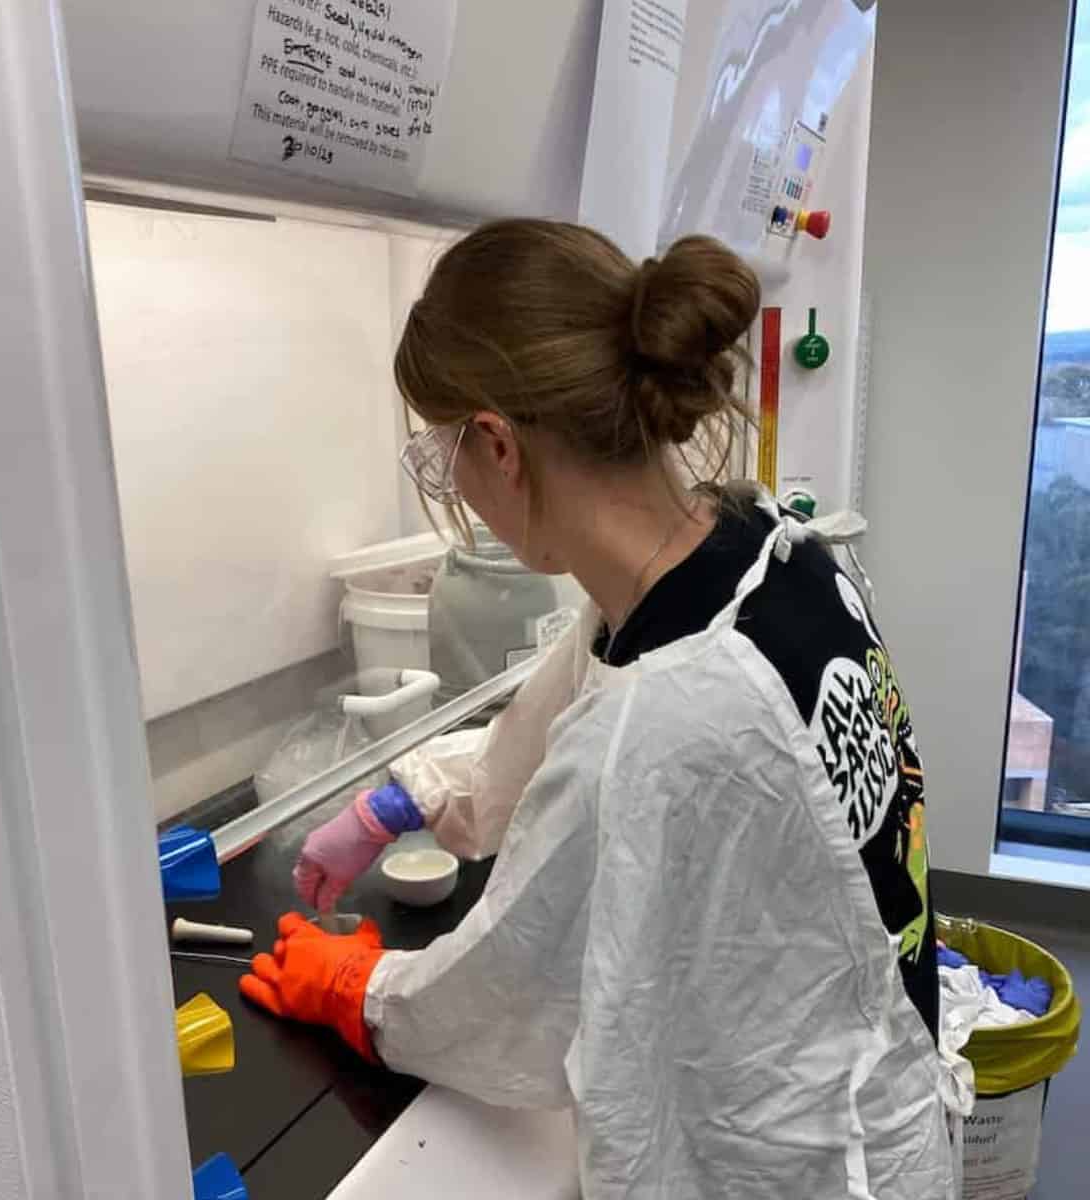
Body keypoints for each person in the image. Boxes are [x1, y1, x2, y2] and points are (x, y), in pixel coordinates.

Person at [240, 220, 955, 1198]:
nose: (454, 487)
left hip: (799, 1166)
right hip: (876, 1095)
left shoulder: (668, 715)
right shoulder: (765, 546)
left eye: (443, 456)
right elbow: (568, 703)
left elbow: (511, 995)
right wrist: (400, 801)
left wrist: (360, 994)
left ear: (496, 443)